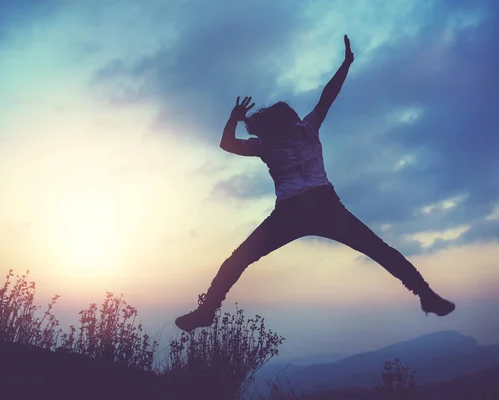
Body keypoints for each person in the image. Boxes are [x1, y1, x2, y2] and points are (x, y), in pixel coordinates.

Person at [175, 35, 455, 333]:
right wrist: (346, 64)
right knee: (379, 250)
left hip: (292, 213)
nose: (298, 114)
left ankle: (206, 313)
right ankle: (425, 295)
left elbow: (226, 143)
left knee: (237, 261)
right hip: (324, 207)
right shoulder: (304, 130)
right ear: (287, 119)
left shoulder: (266, 144)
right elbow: (328, 95)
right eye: (292, 113)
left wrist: (233, 118)